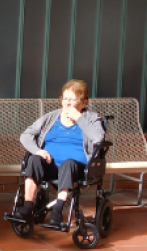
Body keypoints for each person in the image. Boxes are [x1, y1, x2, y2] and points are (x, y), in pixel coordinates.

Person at [15, 79, 105, 228]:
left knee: (68, 164)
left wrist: (79, 118)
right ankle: (28, 207)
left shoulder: (91, 118)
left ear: (84, 102)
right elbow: (26, 135)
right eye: (65, 99)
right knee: (34, 159)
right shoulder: (52, 117)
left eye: (72, 100)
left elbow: (98, 138)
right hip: (50, 165)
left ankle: (57, 210)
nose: (67, 103)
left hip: (77, 168)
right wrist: (38, 150)